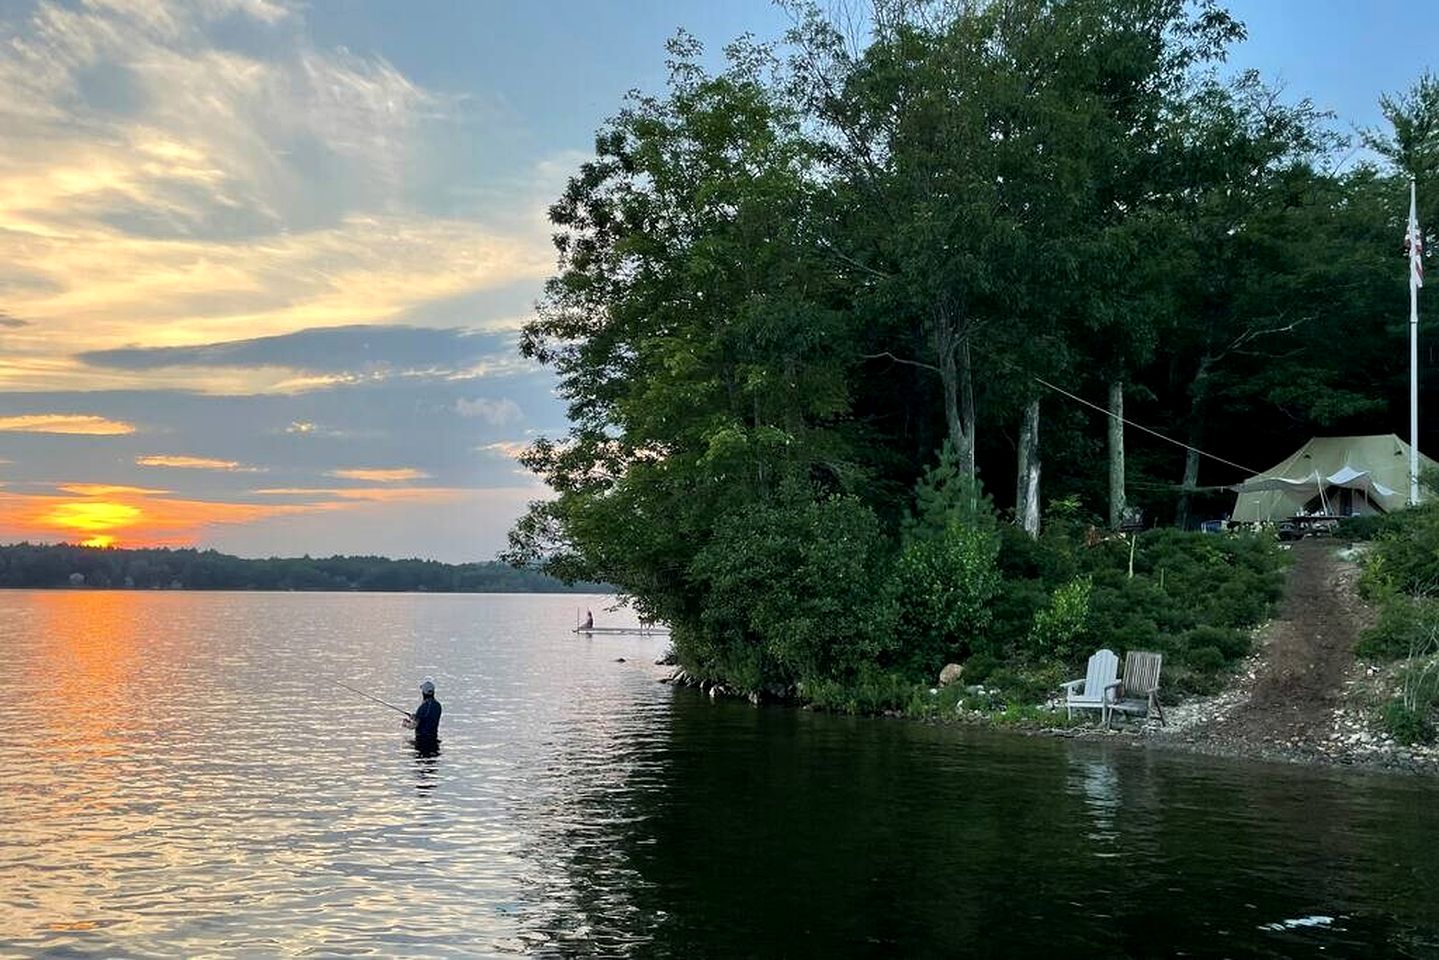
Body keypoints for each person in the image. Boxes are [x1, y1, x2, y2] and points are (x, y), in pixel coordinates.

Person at [409, 677, 442, 744]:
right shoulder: (438, 705)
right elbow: (427, 718)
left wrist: (406, 723)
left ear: (423, 692)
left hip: (422, 739)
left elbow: (413, 725)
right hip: (433, 737)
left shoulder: (424, 706)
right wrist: (415, 717)